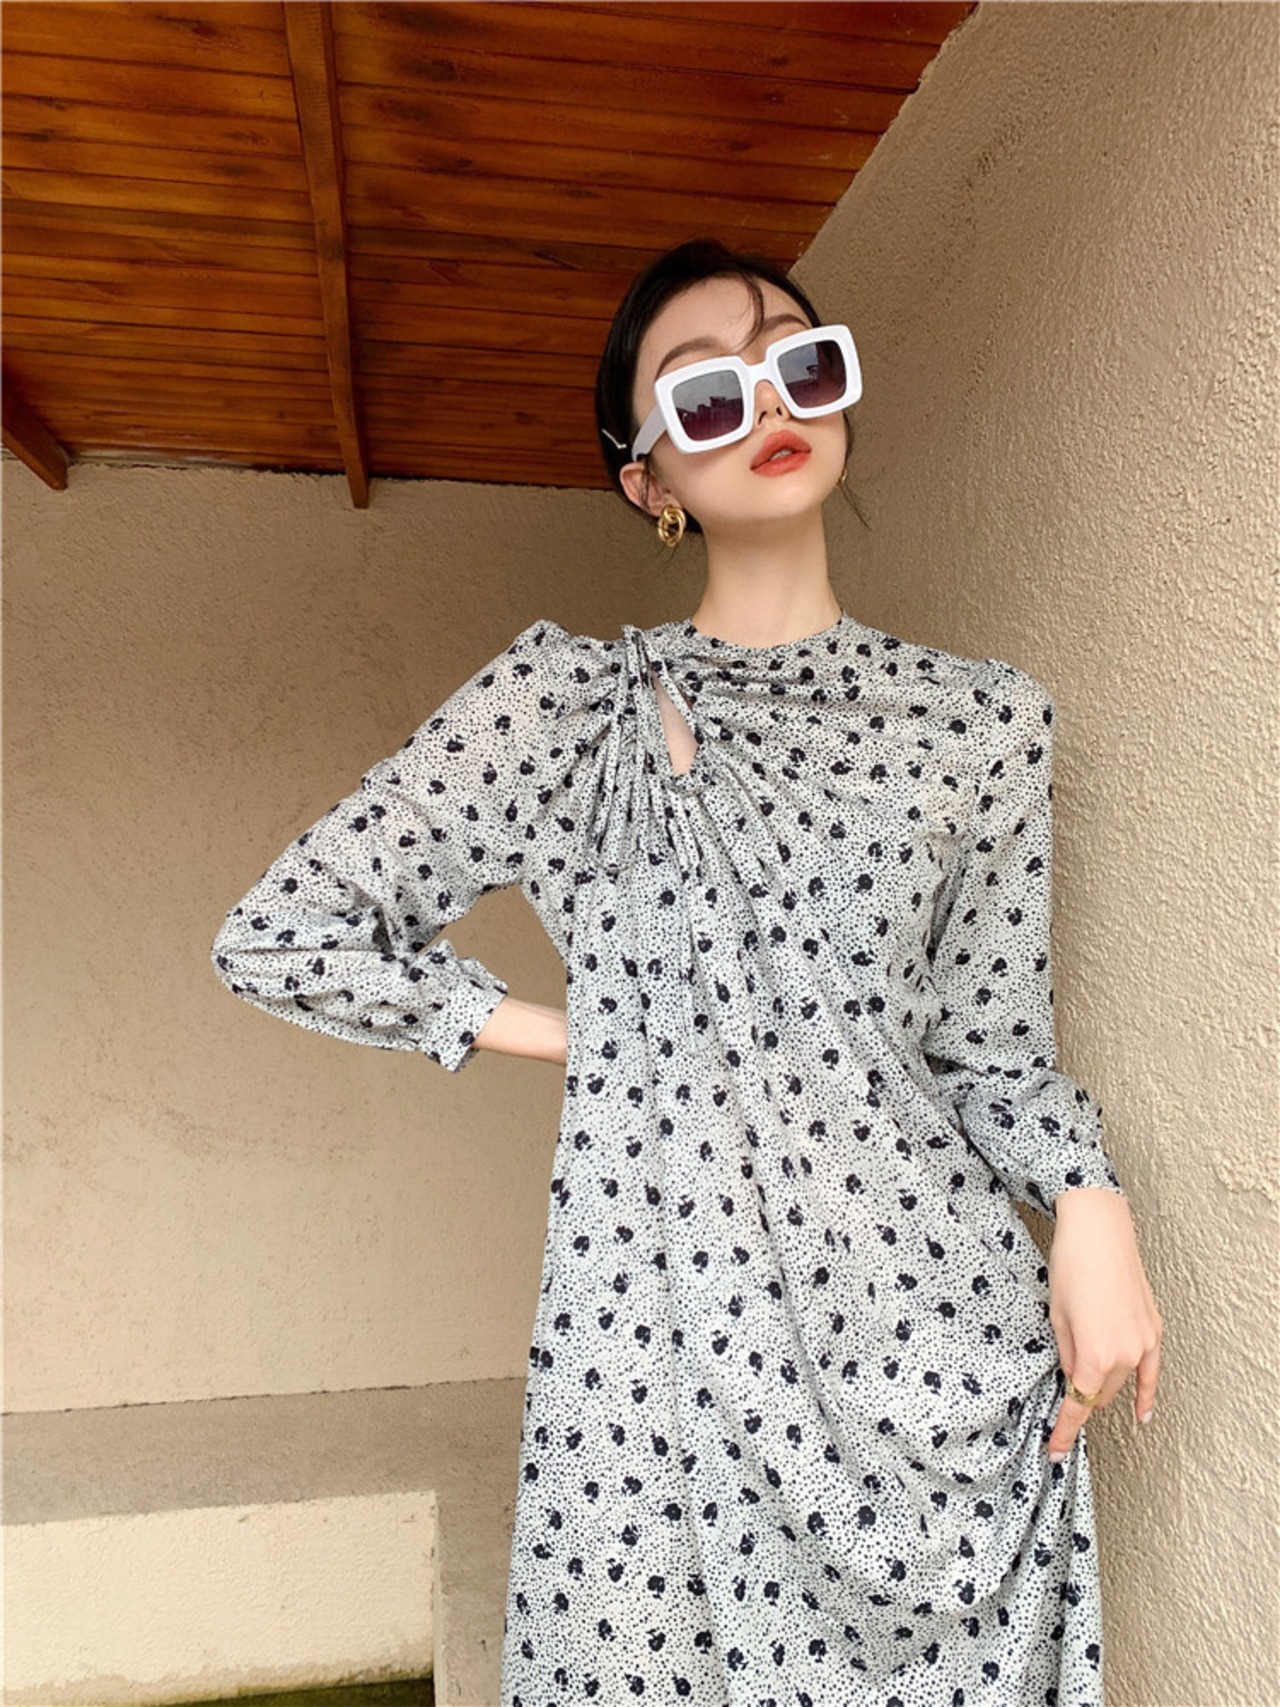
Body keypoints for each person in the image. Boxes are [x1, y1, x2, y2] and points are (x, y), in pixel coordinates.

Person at [211, 236, 1162, 1705]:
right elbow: (285, 931)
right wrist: (588, 1032)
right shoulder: (565, 709)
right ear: (645, 478)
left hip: (930, 1344)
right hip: (656, 1344)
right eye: (704, 391)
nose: (765, 399)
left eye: (798, 362)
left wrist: (1092, 1207)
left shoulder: (981, 726)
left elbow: (988, 1052)